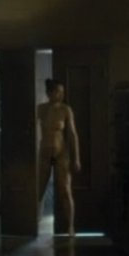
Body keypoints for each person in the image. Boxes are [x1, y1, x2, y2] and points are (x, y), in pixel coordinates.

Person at [37, 78, 81, 236]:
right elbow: (30, 128)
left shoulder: (65, 109)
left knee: (65, 190)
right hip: (44, 152)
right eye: (58, 91)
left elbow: (73, 134)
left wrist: (76, 158)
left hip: (61, 152)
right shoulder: (41, 109)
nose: (61, 94)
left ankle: (70, 226)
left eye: (62, 91)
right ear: (49, 93)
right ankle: (33, 223)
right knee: (39, 189)